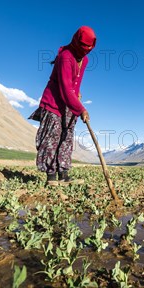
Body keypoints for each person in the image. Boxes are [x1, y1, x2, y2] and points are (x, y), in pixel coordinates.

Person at [35, 26, 96, 186]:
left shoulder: (85, 60)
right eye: (84, 47)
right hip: (54, 102)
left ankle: (64, 175)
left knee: (67, 137)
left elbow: (76, 83)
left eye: (89, 48)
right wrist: (81, 108)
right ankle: (51, 178)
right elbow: (65, 88)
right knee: (51, 138)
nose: (86, 51)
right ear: (76, 42)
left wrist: (78, 94)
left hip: (70, 103)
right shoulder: (66, 57)